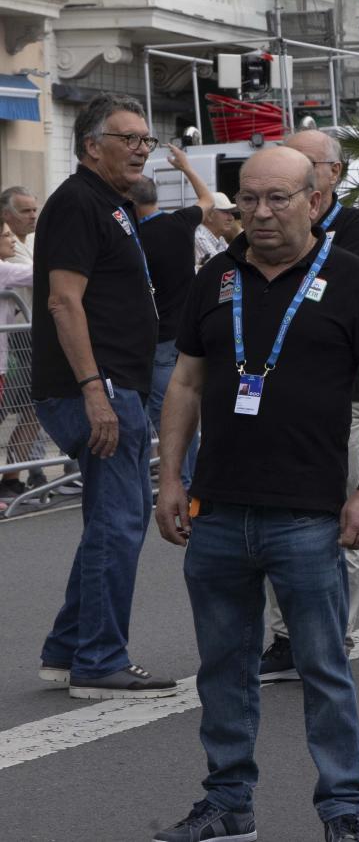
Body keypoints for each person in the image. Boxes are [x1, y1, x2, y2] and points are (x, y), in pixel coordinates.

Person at [152, 147, 359, 842]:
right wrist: (169, 478)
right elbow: (185, 383)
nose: (259, 213)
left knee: (323, 670)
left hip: (307, 513)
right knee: (223, 670)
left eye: (277, 199)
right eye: (248, 200)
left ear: (313, 200)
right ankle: (228, 803)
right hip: (219, 508)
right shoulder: (216, 276)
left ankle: (342, 811)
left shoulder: (350, 278)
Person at [31, 94, 174, 698]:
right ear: (92, 146)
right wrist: (94, 390)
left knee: (112, 522)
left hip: (115, 386)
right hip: (99, 388)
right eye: (130, 138)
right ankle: (98, 660)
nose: (143, 148)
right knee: (119, 523)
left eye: (146, 139)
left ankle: (69, 650)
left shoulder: (107, 203)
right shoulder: (76, 203)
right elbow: (64, 301)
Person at [259, 129, 359, 682]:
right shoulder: (260, 232)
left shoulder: (354, 230)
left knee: (340, 517)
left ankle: (332, 635)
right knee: (272, 517)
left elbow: (334, 291)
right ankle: (285, 637)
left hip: (342, 401)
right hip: (272, 402)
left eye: (305, 163)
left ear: (331, 174)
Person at [131, 148, 217, 489]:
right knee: (187, 411)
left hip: (156, 336)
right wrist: (186, 167)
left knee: (166, 415)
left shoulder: (134, 239)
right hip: (187, 334)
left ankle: (182, 483)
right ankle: (195, 479)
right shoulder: (181, 223)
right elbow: (207, 199)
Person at [0, 184, 45, 499]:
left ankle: (16, 476)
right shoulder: (8, 257)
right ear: (6, 216)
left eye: (34, 209)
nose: (33, 216)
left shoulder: (28, 245)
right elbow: (38, 275)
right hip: (17, 341)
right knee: (26, 407)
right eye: (26, 211)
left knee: (34, 408)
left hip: (24, 341)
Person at [0, 224, 37, 512]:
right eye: (5, 235)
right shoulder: (4, 269)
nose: (12, 240)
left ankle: (11, 480)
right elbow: (40, 274)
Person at [194, 192, 241, 269]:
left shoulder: (220, 239)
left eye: (231, 213)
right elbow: (222, 269)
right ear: (209, 215)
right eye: (226, 212)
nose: (231, 218)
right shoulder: (199, 238)